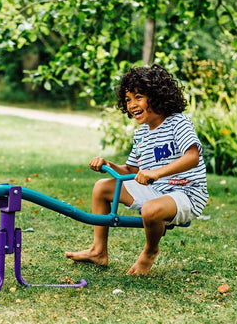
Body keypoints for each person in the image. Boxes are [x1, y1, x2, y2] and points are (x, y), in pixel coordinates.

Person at [65, 64, 208, 275]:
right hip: (155, 189)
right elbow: (131, 170)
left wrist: (157, 173)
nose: (132, 105)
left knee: (150, 209)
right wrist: (109, 166)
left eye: (138, 97)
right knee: (102, 187)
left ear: (158, 96)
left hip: (186, 193)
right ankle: (98, 251)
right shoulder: (141, 134)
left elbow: (192, 156)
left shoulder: (178, 122)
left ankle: (150, 251)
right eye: (128, 100)